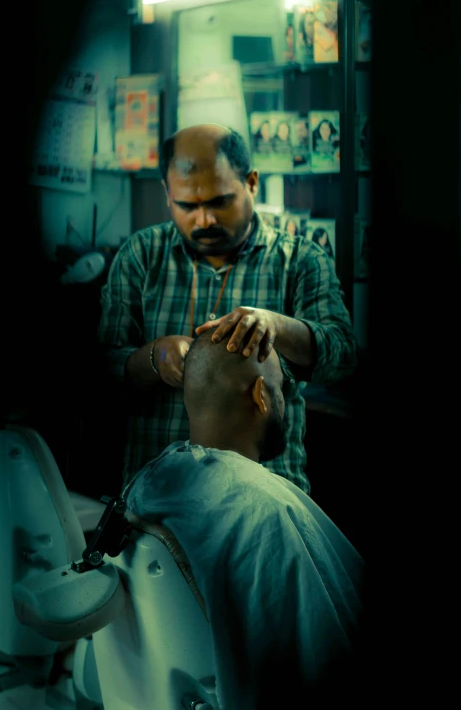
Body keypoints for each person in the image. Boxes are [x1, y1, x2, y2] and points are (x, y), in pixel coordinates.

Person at [98, 124, 357, 493]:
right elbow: (96, 371)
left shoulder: (300, 260)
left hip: (264, 500)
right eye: (187, 206)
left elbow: (344, 356)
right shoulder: (141, 256)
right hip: (158, 499)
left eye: (220, 201)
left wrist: (277, 327)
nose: (204, 221)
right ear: (168, 194)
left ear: (251, 183)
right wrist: (153, 358)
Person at [124, 327, 364, 709]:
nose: (284, 400)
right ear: (262, 395)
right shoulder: (264, 511)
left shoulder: (147, 483)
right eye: (281, 387)